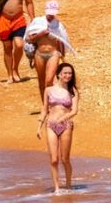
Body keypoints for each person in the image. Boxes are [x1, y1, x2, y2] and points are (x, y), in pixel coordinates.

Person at [37, 63, 79, 195]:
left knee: (65, 159)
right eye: (65, 73)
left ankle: (68, 185)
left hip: (66, 125)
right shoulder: (48, 90)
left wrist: (63, 118)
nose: (68, 75)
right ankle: (56, 188)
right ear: (59, 74)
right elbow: (44, 109)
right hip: (50, 125)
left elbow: (74, 110)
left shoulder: (73, 91)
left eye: (70, 73)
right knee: (54, 159)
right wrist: (39, 126)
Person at [25, 0, 75, 103]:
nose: (51, 16)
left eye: (53, 14)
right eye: (49, 13)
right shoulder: (38, 22)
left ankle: (51, 102)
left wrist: (62, 55)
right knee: (41, 80)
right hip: (39, 54)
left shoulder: (58, 25)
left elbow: (62, 40)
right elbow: (29, 38)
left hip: (53, 54)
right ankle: (45, 105)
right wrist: (42, 34)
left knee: (49, 81)